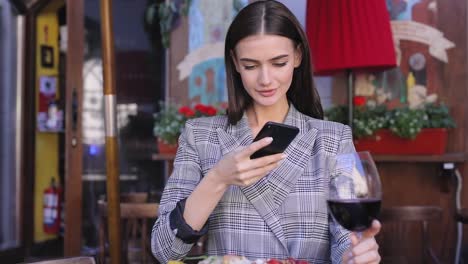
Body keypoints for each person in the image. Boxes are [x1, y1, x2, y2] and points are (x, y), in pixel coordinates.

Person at [151, 1, 381, 263]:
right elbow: (164, 250)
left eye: (278, 63)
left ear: (297, 56)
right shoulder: (200, 136)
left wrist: (356, 254)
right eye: (250, 66)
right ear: (235, 63)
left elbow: (347, 235)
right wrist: (217, 178)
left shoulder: (334, 139)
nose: (266, 79)